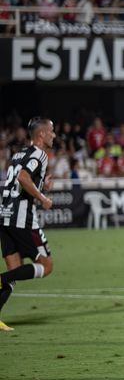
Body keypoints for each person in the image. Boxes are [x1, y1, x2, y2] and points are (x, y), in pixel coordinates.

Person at [0, 117, 57, 332]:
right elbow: (23, 178)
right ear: (41, 134)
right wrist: (43, 198)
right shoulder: (40, 154)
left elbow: (19, 179)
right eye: (51, 131)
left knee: (15, 271)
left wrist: (43, 187)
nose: (54, 135)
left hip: (4, 216)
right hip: (21, 219)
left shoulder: (19, 153)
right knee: (47, 265)